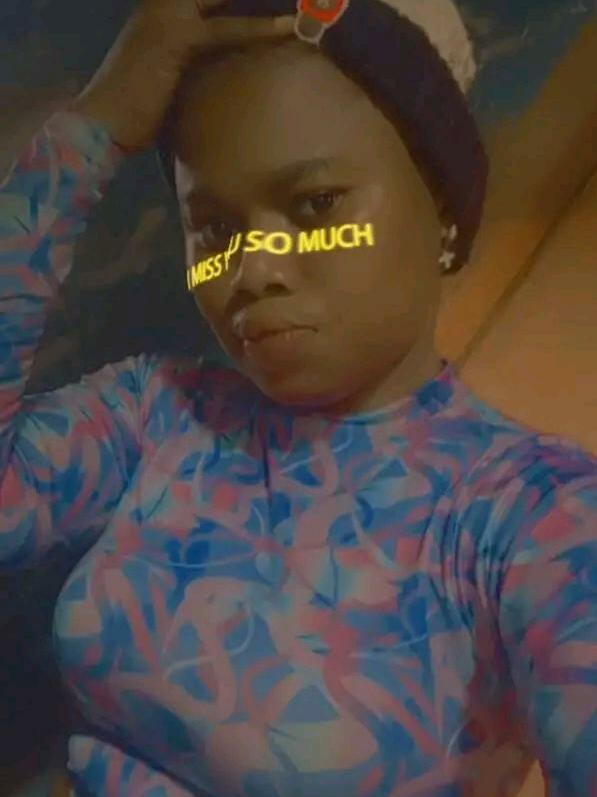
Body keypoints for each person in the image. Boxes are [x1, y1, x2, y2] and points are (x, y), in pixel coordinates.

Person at [0, 0, 595, 795]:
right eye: (214, 229)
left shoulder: (535, 519)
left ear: (443, 212)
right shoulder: (156, 412)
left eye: (316, 205)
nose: (254, 267)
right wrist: (88, 133)